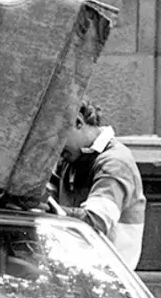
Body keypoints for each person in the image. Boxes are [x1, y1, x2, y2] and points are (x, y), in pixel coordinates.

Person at [50, 100, 146, 269]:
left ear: (78, 121)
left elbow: (95, 221)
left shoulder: (116, 162)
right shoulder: (72, 159)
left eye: (56, 136)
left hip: (109, 277)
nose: (53, 147)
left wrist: (45, 207)